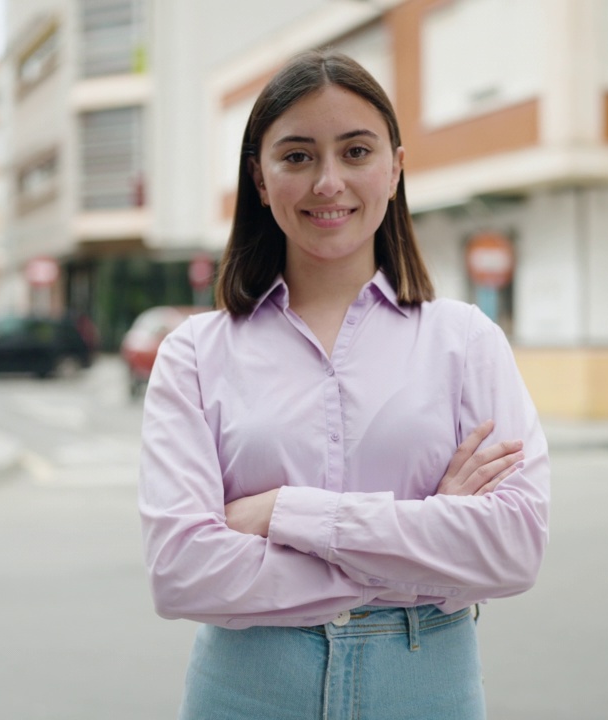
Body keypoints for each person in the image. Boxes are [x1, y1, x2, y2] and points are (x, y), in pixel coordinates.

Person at [138, 49, 550, 719]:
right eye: (297, 156)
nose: (328, 181)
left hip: (426, 691)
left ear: (395, 166)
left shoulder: (465, 341)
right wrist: (426, 544)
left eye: (355, 152)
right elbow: (181, 572)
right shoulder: (194, 353)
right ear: (261, 179)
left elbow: (513, 549)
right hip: (247, 691)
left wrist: (283, 514)